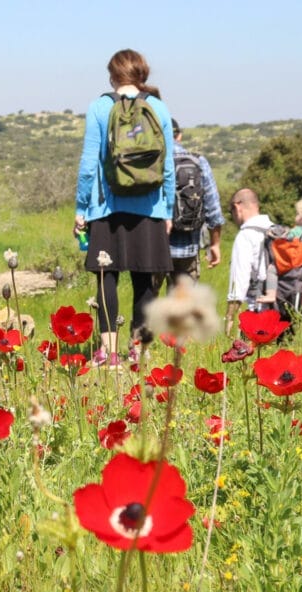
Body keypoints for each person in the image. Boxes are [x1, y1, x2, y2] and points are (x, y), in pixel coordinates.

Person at [74, 49, 175, 367]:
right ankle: (138, 349)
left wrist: (80, 207)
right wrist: (168, 208)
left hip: (106, 207)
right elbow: (168, 165)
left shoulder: (100, 107)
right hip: (150, 207)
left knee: (107, 277)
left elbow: (90, 164)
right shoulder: (158, 107)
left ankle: (108, 353)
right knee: (145, 279)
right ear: (142, 74)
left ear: (112, 76)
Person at [166, 119, 224, 286]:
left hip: (155, 247)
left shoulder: (151, 163)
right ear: (180, 136)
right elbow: (213, 209)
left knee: (151, 305)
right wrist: (215, 244)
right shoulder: (199, 162)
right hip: (188, 247)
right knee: (185, 306)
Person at [224, 188, 275, 334]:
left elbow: (238, 284)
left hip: (258, 313)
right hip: (282, 311)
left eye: (231, 212)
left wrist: (229, 323)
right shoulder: (276, 231)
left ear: (237, 207)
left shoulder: (245, 236)